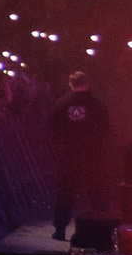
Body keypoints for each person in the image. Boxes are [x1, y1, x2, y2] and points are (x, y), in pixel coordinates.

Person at [45, 71, 113, 245]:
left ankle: (60, 230)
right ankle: (102, 229)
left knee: (65, 192)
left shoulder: (61, 105)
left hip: (68, 157)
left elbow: (53, 130)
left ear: (70, 84)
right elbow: (107, 130)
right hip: (93, 156)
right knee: (97, 192)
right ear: (87, 83)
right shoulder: (97, 105)